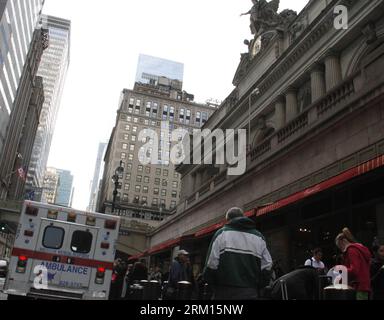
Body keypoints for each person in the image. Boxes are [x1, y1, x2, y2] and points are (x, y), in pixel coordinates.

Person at [203, 207, 273, 300]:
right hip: (250, 292)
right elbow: (268, 265)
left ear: (227, 220)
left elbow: (211, 264)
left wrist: (212, 283)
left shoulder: (221, 234)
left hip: (224, 292)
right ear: (243, 217)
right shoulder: (258, 237)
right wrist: (260, 285)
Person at [335, 228, 372, 300]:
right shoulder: (358, 249)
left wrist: (340, 269)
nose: (341, 250)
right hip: (363, 286)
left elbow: (354, 270)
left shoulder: (351, 250)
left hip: (358, 287)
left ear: (343, 241)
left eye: (340, 246)